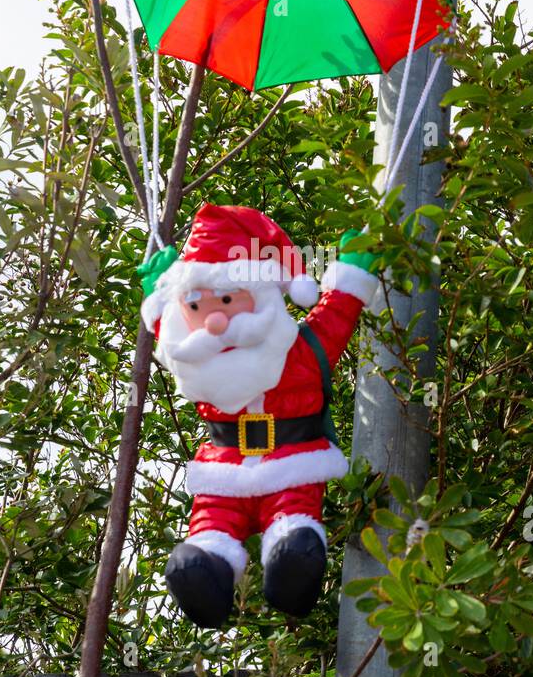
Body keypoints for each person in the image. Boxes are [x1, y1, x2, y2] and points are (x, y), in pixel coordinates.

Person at [139, 204, 378, 628]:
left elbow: (335, 317)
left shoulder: (299, 354)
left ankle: (291, 569)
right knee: (209, 533)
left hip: (290, 467)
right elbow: (168, 329)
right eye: (197, 306)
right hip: (223, 472)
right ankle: (207, 572)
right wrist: (158, 286)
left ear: (262, 296)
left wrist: (350, 274)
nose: (214, 322)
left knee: (294, 536)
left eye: (228, 300)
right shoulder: (194, 354)